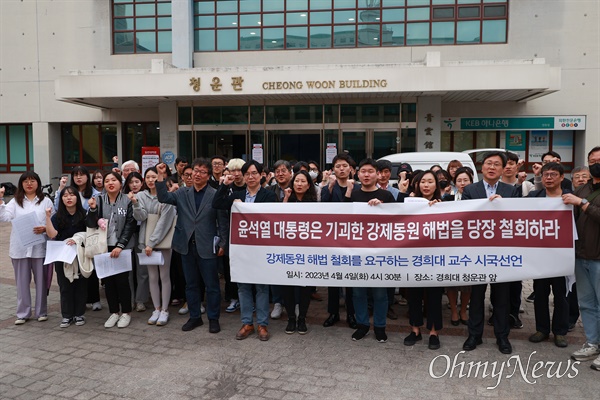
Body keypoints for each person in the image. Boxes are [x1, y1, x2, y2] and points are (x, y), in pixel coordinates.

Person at [156, 159, 228, 334]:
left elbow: (223, 222)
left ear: (209, 175)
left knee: (211, 285)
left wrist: (223, 243)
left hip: (208, 245)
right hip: (186, 245)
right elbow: (163, 197)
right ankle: (195, 317)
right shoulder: (182, 193)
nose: (197, 174)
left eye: (202, 172)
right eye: (195, 171)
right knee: (191, 284)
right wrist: (160, 176)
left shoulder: (215, 194)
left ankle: (213, 318)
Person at [213, 160, 277, 341]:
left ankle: (262, 324)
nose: (251, 176)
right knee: (243, 287)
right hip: (241, 249)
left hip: (261, 249)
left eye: (254, 173)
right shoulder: (237, 194)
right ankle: (247, 322)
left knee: (262, 287)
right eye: (247, 173)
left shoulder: (269, 195)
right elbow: (216, 203)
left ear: (261, 175)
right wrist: (225, 186)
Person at [461, 151, 518, 354]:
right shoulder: (470, 189)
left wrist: (503, 206)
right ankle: (474, 335)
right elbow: (464, 218)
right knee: (476, 296)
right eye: (488, 163)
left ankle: (502, 337)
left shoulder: (511, 191)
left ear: (503, 169)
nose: (492, 167)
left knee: (501, 298)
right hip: (476, 253)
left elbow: (518, 220)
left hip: (501, 254)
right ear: (481, 167)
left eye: (496, 164)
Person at [343, 159, 396, 343]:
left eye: (370, 171)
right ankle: (363, 325)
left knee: (380, 293)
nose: (366, 175)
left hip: (379, 254)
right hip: (357, 253)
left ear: (378, 174)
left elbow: (395, 224)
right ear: (357, 174)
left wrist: (381, 208)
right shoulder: (354, 195)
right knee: (358, 293)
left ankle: (380, 327)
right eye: (363, 171)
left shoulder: (386, 196)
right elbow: (343, 222)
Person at [563, 146, 600, 370]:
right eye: (592, 160)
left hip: (598, 257)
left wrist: (582, 204)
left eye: (599, 160)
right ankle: (593, 342)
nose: (595, 163)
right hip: (581, 255)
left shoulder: (583, 197)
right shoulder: (583, 188)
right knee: (586, 304)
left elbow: (587, 209)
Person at [0, 171, 54, 325]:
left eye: (32, 180)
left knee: (41, 281)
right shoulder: (15, 202)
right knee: (22, 282)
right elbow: (3, 217)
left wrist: (44, 228)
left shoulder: (46, 201)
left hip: (39, 247)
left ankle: (41, 311)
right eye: (25, 181)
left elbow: (53, 221)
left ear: (38, 183)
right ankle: (23, 313)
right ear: (21, 184)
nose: (29, 184)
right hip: (20, 248)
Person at [526, 162, 570, 348]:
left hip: (562, 255)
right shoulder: (533, 196)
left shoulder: (569, 199)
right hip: (540, 255)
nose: (549, 178)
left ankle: (560, 332)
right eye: (545, 175)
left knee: (561, 295)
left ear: (561, 177)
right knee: (540, 293)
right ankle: (542, 329)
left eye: (553, 174)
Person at [400, 170, 445, 350]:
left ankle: (434, 332)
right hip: (413, 257)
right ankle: (415, 329)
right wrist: (403, 195)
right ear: (417, 184)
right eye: (423, 182)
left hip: (435, 258)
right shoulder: (409, 202)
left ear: (437, 185)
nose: (426, 185)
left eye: (430, 181)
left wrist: (440, 208)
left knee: (434, 296)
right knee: (414, 295)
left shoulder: (445, 203)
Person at [86, 171, 137, 329]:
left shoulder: (127, 201)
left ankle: (126, 312)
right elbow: (90, 224)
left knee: (122, 281)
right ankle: (114, 312)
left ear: (120, 183)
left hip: (123, 247)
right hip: (103, 247)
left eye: (113, 180)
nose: (110, 183)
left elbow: (130, 224)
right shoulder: (99, 200)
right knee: (108, 281)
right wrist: (93, 209)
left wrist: (120, 245)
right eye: (107, 180)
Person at [130, 167, 177, 326]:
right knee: (152, 277)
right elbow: (141, 217)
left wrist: (152, 243)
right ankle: (156, 308)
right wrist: (136, 203)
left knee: (164, 276)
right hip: (146, 242)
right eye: (148, 177)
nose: (150, 180)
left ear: (160, 178)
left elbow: (164, 223)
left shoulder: (167, 197)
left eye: (154, 177)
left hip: (162, 243)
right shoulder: (141, 195)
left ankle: (165, 310)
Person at [319, 153, 358, 329]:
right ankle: (333, 313)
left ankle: (351, 314)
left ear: (351, 169)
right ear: (333, 169)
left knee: (350, 280)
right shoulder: (329, 188)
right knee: (333, 280)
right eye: (337, 166)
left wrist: (349, 191)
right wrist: (327, 185)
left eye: (344, 166)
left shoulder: (358, 188)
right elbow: (326, 210)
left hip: (353, 241)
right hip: (333, 239)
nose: (341, 169)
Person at [280, 170, 318, 334]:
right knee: (288, 286)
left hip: (307, 252)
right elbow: (278, 219)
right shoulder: (288, 200)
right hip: (288, 251)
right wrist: (286, 198)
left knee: (304, 288)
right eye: (297, 181)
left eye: (303, 181)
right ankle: (290, 319)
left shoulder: (315, 204)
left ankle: (302, 318)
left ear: (309, 185)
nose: (299, 184)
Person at [45, 186, 89, 328]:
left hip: (80, 254)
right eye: (65, 196)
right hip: (62, 255)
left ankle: (79, 314)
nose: (68, 198)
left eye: (71, 195)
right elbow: (52, 235)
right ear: (61, 199)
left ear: (77, 197)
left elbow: (90, 233)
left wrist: (77, 240)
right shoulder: (57, 217)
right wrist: (47, 217)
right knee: (65, 285)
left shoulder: (84, 215)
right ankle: (67, 315)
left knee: (80, 285)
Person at [444, 167, 473, 325]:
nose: (462, 183)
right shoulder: (448, 199)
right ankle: (454, 310)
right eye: (459, 180)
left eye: (466, 180)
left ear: (471, 180)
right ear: (454, 183)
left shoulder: (478, 199)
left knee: (467, 282)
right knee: (452, 281)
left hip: (469, 247)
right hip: (450, 247)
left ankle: (463, 310)